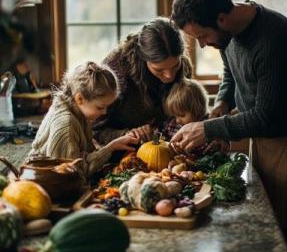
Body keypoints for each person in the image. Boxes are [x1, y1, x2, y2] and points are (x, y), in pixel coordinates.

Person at [170, 0, 287, 252]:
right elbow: (230, 69)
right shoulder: (229, 32)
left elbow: (267, 117)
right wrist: (222, 103)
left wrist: (206, 129)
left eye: (202, 36)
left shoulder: (273, 40)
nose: (202, 44)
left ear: (222, 19)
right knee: (262, 233)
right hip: (256, 138)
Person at [28, 61, 138, 176]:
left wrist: (111, 146)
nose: (105, 112)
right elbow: (73, 173)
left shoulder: (78, 110)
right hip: (45, 182)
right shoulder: (66, 125)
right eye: (100, 107)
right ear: (80, 98)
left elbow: (85, 154)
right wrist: (110, 148)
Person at [95, 17, 192, 145]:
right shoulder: (116, 69)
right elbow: (94, 130)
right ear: (143, 57)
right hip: (119, 152)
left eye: (175, 66)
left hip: (166, 147)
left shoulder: (184, 66)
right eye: (159, 70)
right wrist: (128, 134)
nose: (169, 76)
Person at [160, 78, 229, 155]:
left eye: (182, 115)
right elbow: (162, 138)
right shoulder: (172, 124)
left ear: (198, 110)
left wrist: (221, 143)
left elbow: (223, 143)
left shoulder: (210, 124)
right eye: (175, 116)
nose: (177, 120)